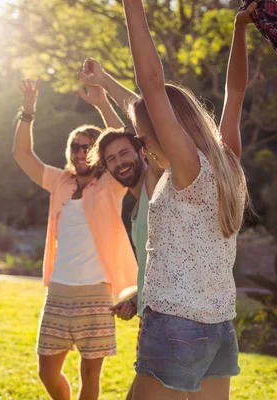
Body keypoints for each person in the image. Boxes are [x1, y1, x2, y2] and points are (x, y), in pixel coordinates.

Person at [121, 0, 256, 398]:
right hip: (218, 325)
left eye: (144, 139)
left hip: (176, 324)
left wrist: (131, 5)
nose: (143, 149)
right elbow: (236, 92)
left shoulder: (188, 169)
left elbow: (150, 83)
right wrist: (239, 29)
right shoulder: (227, 161)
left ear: (165, 133)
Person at [12, 79, 138, 400]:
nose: (81, 152)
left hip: (97, 294)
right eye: (75, 146)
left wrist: (100, 103)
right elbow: (22, 153)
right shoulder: (60, 182)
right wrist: (28, 110)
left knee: (89, 376)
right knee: (47, 372)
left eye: (88, 147)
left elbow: (124, 141)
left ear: (99, 153)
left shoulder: (111, 184)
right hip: (58, 292)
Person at [81, 58, 162, 400]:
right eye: (111, 160)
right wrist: (135, 299)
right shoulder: (136, 206)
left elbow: (143, 118)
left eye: (125, 155)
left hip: (172, 324)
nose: (119, 162)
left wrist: (106, 83)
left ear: (142, 151)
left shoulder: (157, 184)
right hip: (154, 320)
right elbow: (118, 141)